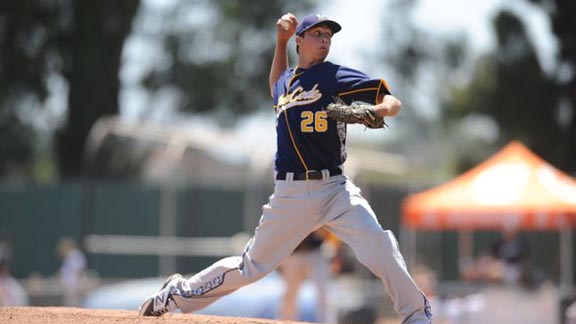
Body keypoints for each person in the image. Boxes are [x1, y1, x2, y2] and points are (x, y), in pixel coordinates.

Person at [139, 13, 432, 323]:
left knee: (379, 246)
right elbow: (275, 83)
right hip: (291, 193)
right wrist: (279, 43)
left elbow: (392, 100)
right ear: (299, 40)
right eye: (317, 33)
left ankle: (416, 314)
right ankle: (177, 293)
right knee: (250, 268)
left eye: (328, 35)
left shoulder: (334, 76)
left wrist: (377, 110)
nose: (324, 39)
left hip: (335, 189)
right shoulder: (285, 83)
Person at [278, 229, 340, 323]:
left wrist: (336, 252)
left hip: (316, 252)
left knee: (323, 292)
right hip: (294, 252)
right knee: (290, 294)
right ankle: (286, 320)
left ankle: (326, 322)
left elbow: (330, 226)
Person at [56, 237, 87, 306]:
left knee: (74, 304)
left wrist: (79, 284)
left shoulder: (74, 254)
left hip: (74, 285)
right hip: (70, 285)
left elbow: (78, 269)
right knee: (69, 303)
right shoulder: (69, 256)